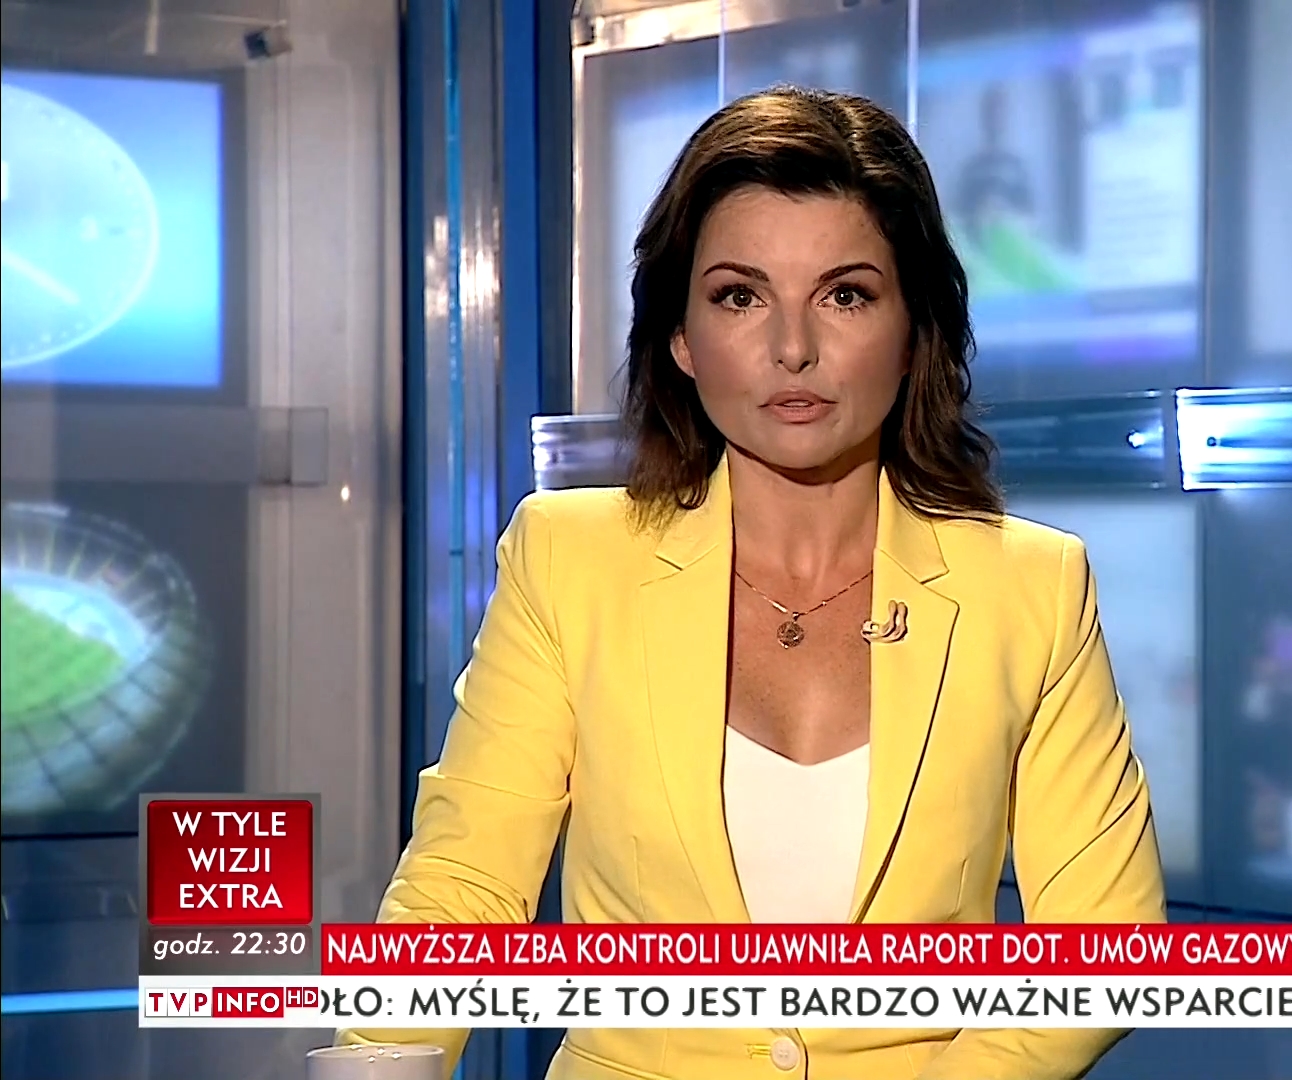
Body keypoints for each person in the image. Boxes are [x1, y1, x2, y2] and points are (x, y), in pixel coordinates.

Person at [339, 85, 1166, 1079]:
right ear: (680, 336)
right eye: (741, 295)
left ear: (915, 332)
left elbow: (1107, 944)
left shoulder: (1030, 585)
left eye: (845, 295)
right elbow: (464, 884)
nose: (793, 348)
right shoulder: (568, 559)